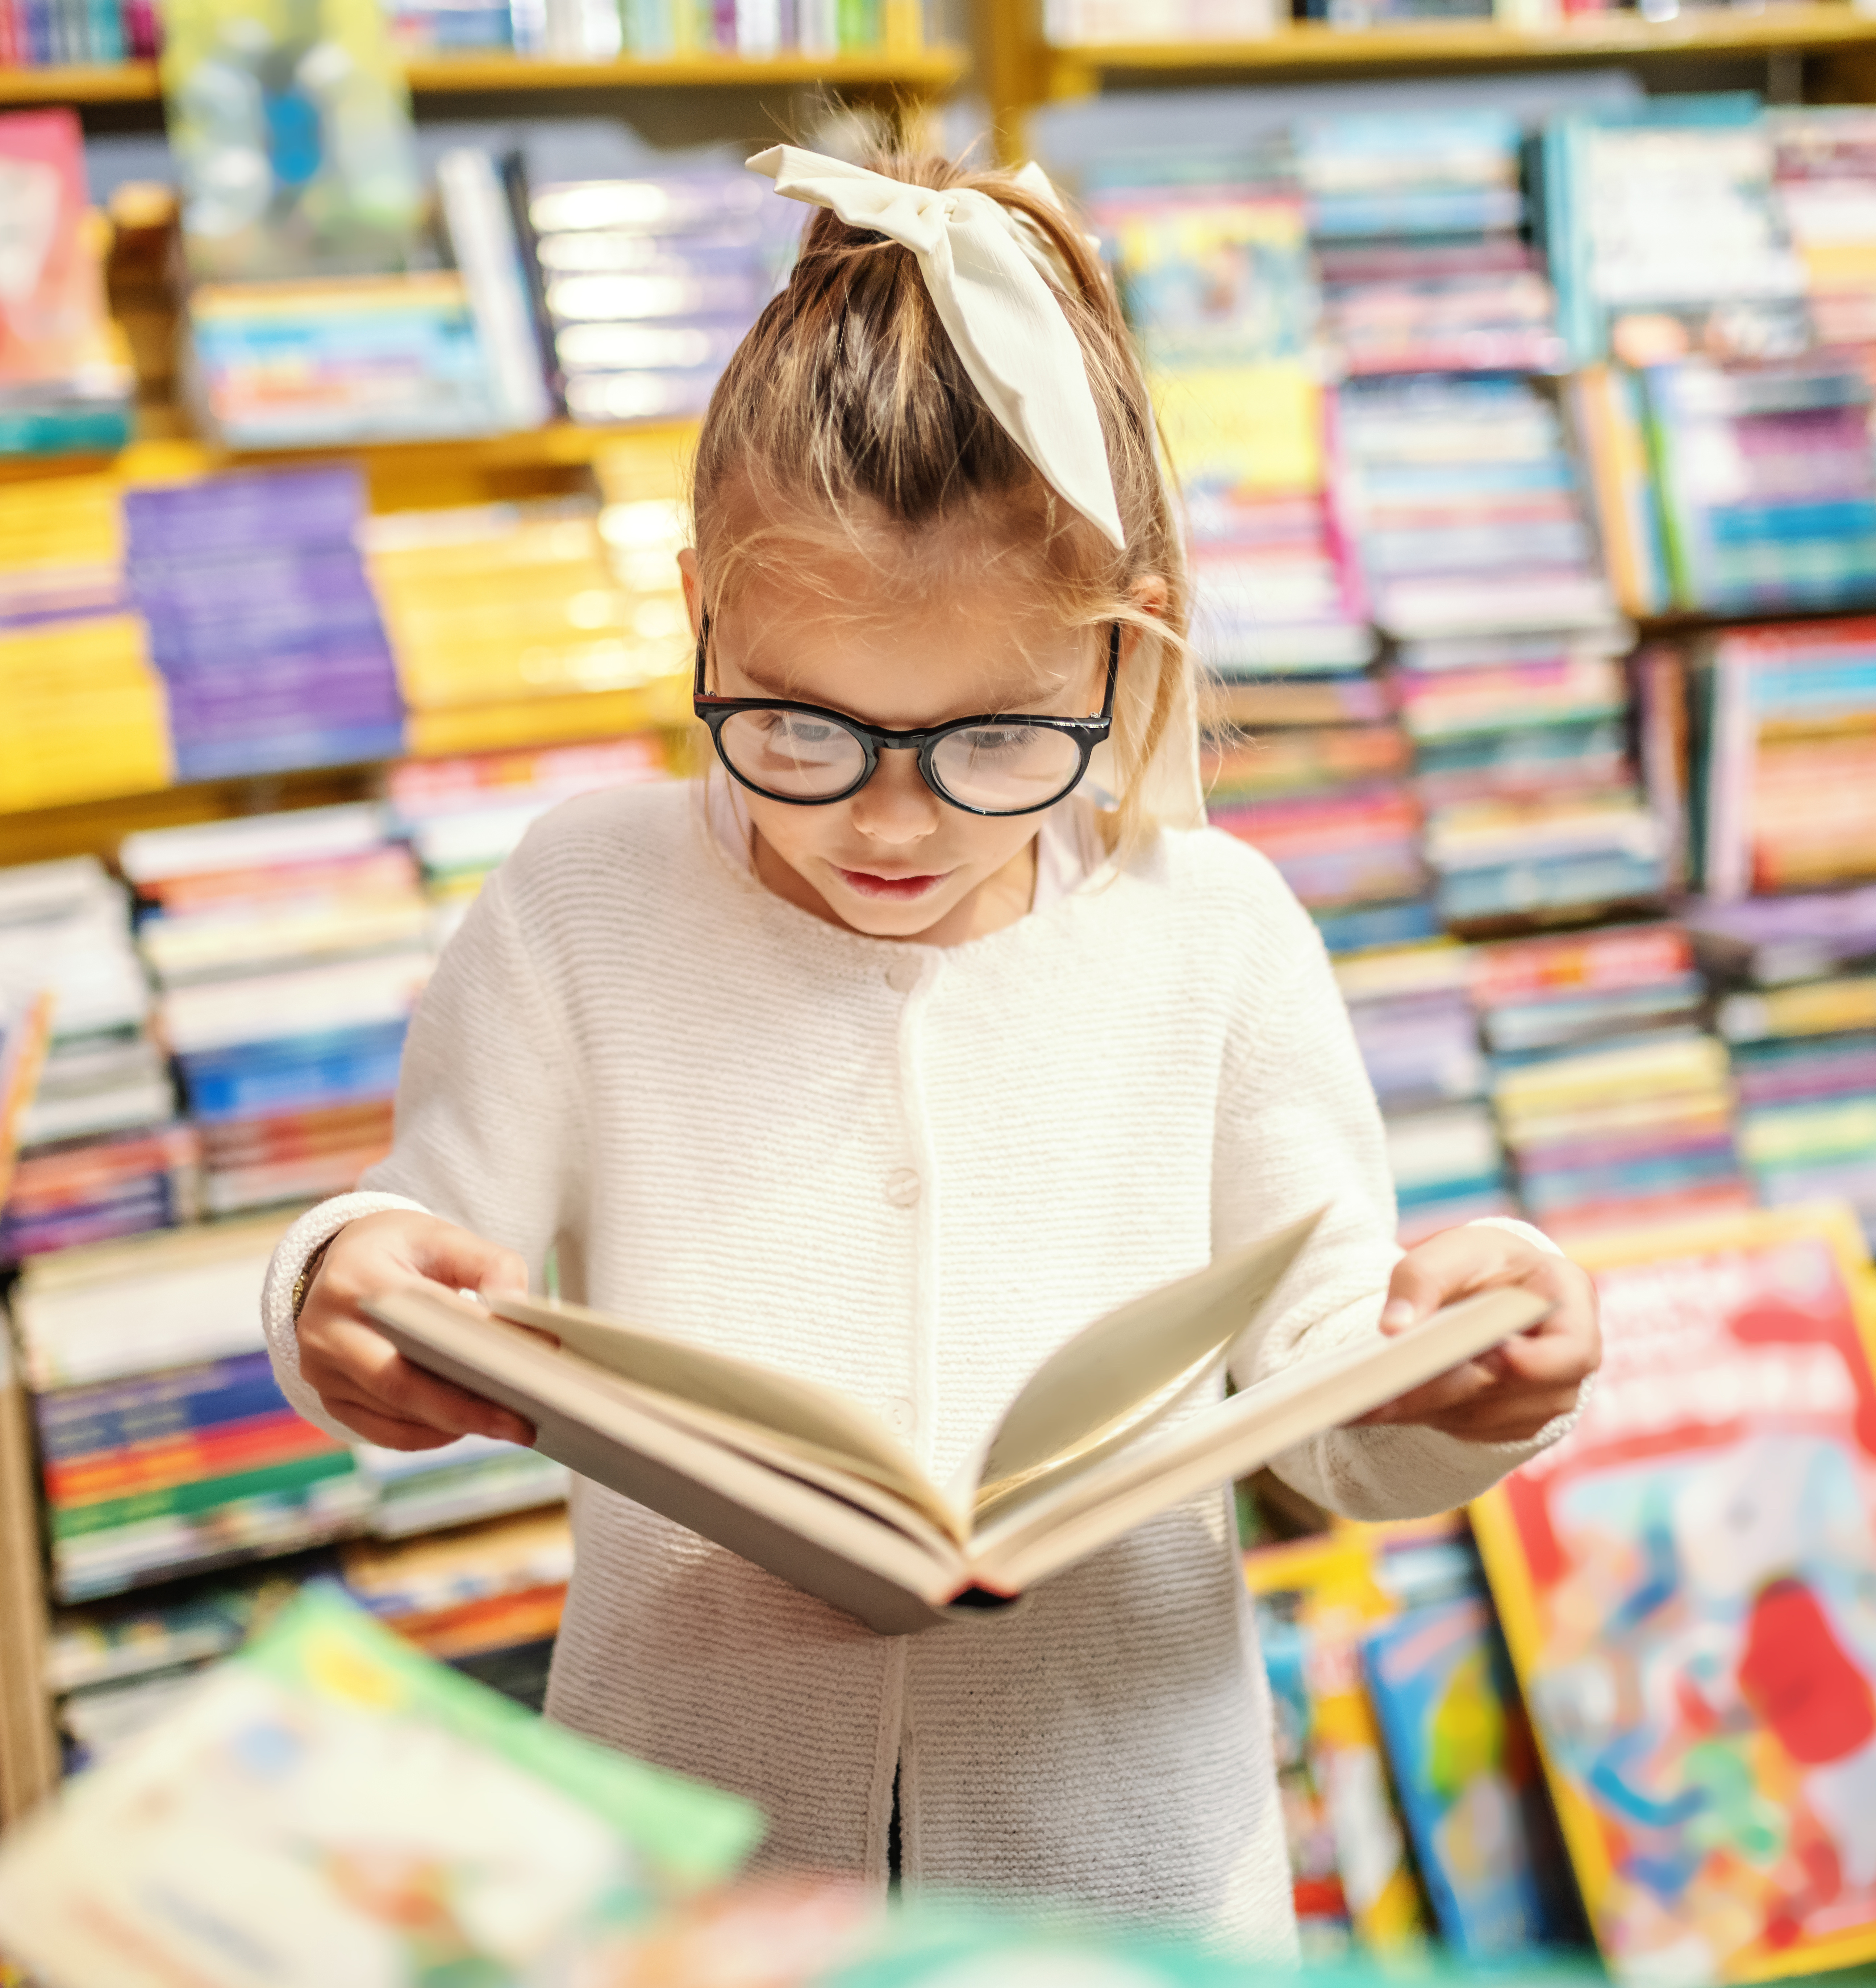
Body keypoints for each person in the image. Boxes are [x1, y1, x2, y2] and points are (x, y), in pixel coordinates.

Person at [262, 145, 1600, 1947]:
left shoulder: (1212, 930)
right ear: (696, 619)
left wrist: (1469, 1363)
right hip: (700, 1848)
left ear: (1120, 667)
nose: (890, 823)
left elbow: (1335, 1403)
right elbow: (419, 1248)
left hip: (1116, 1856)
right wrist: (339, 1290)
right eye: (799, 730)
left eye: (988, 741)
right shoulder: (586, 895)